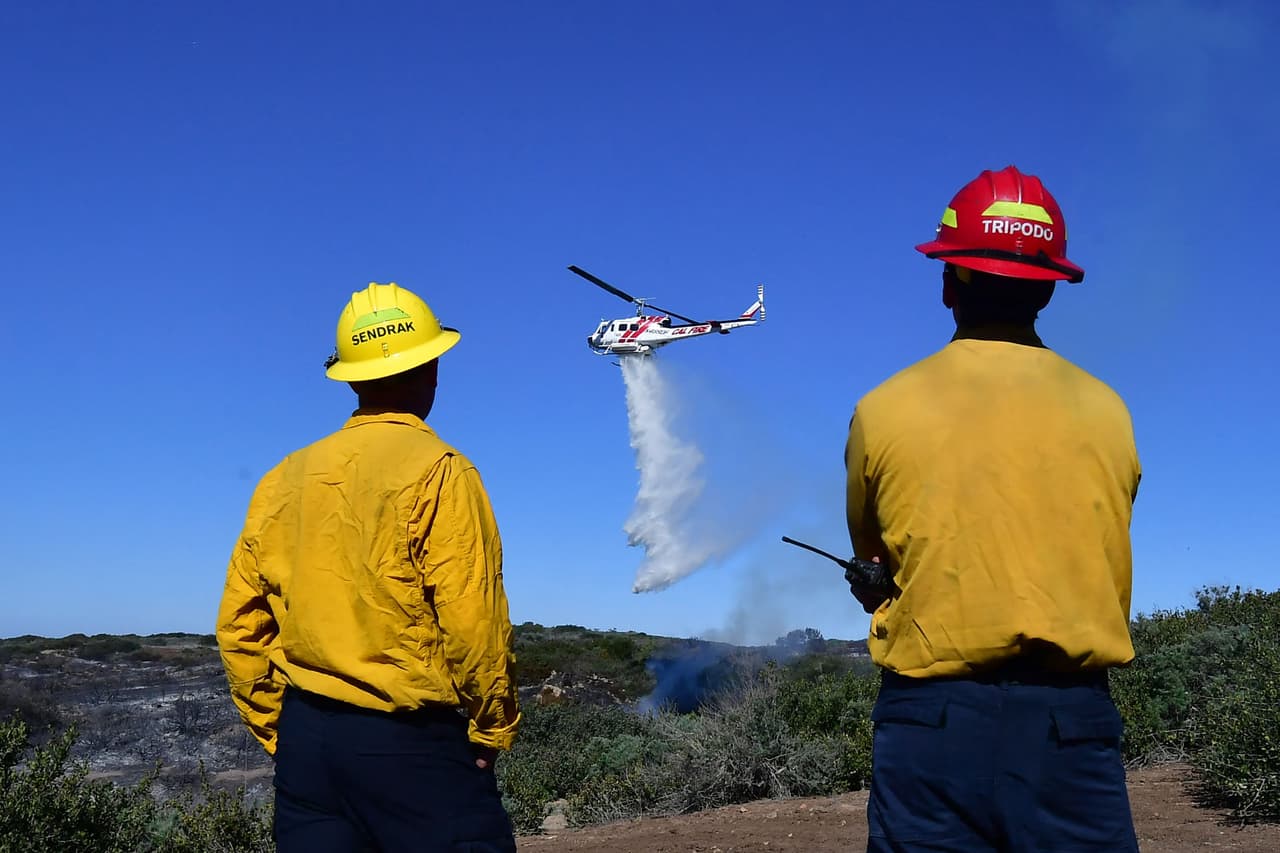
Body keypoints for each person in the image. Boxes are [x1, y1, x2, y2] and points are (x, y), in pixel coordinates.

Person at [844, 166, 1142, 852]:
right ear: (1048, 288)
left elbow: (876, 553)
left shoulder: (883, 408)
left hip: (931, 730)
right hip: (1072, 731)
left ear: (949, 282)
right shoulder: (1108, 410)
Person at [216, 282, 521, 853]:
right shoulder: (441, 471)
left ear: (351, 378)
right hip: (412, 745)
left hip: (308, 746)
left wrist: (278, 729)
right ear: (432, 369)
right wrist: (491, 726)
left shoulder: (283, 478)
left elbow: (239, 625)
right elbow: (473, 621)